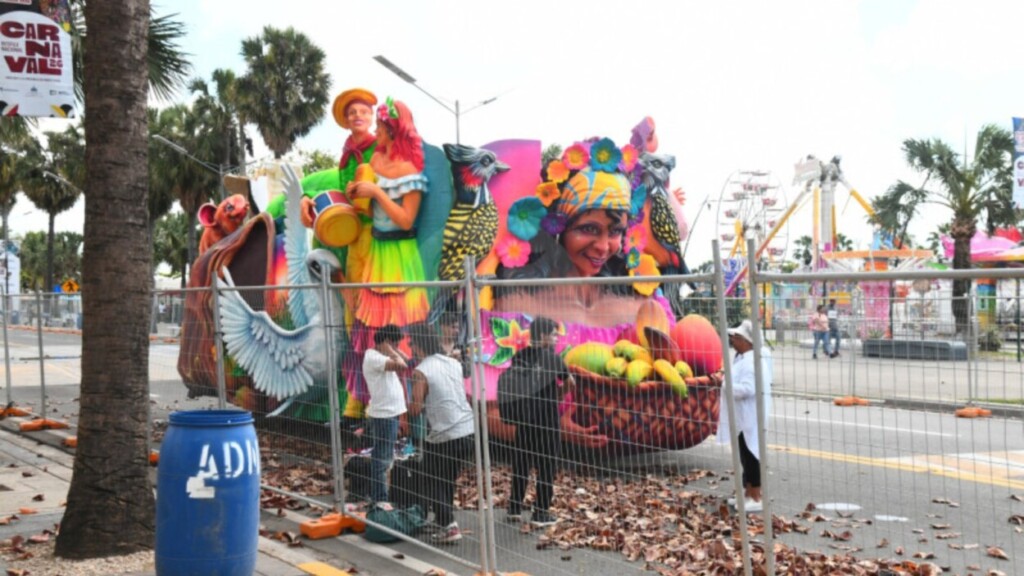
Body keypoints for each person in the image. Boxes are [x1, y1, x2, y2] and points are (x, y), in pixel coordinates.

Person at [342, 98, 432, 420]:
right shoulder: (375, 160)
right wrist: (356, 192)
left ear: (393, 130)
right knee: (369, 332)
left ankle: (405, 413)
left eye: (380, 126)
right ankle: (371, 405)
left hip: (401, 255)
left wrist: (377, 192)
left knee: (400, 333)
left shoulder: (410, 171)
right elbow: (366, 205)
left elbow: (406, 220)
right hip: (376, 254)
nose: (376, 131)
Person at [407, 323, 475, 544]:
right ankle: (443, 518)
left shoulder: (421, 371)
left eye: (411, 344)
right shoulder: (452, 362)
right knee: (446, 477)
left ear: (418, 345)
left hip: (445, 433)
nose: (410, 348)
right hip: (467, 428)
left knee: (430, 477)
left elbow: (416, 408)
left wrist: (405, 405)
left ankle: (448, 525)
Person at [505, 316, 575, 527]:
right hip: (546, 420)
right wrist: (556, 396)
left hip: (525, 419)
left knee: (521, 464)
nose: (556, 339)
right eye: (553, 335)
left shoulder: (520, 356)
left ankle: (514, 508)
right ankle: (541, 512)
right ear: (543, 336)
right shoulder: (552, 359)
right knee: (546, 465)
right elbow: (571, 383)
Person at [720, 319, 773, 513]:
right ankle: (747, 493)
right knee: (744, 454)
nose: (733, 340)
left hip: (750, 416)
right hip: (743, 417)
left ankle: (756, 496)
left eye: (737, 337)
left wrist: (725, 385)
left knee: (751, 455)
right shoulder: (743, 358)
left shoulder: (752, 362)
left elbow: (748, 389)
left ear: (747, 341)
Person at [363, 324, 409, 504]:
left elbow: (406, 359)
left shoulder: (381, 356)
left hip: (390, 413)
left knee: (385, 456)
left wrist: (391, 348)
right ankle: (380, 499)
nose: (397, 348)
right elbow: (402, 365)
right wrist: (389, 349)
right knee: (382, 458)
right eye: (394, 344)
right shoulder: (373, 357)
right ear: (386, 342)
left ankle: (380, 496)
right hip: (384, 414)